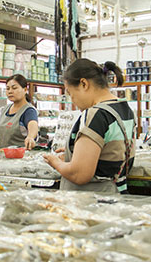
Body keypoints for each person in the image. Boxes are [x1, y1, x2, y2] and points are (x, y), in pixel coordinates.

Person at [43, 59, 136, 194]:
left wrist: (55, 162)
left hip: (92, 198)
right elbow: (111, 150)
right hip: (116, 193)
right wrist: (75, 151)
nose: (72, 100)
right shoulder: (125, 109)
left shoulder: (95, 114)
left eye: (70, 93)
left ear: (84, 84)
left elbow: (79, 174)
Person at [0, 74, 39, 149]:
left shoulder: (29, 111)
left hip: (20, 154)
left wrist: (30, 137)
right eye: (7, 88)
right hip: (3, 154)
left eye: (14, 88)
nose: (10, 91)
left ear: (25, 90)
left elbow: (33, 125)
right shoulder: (5, 109)